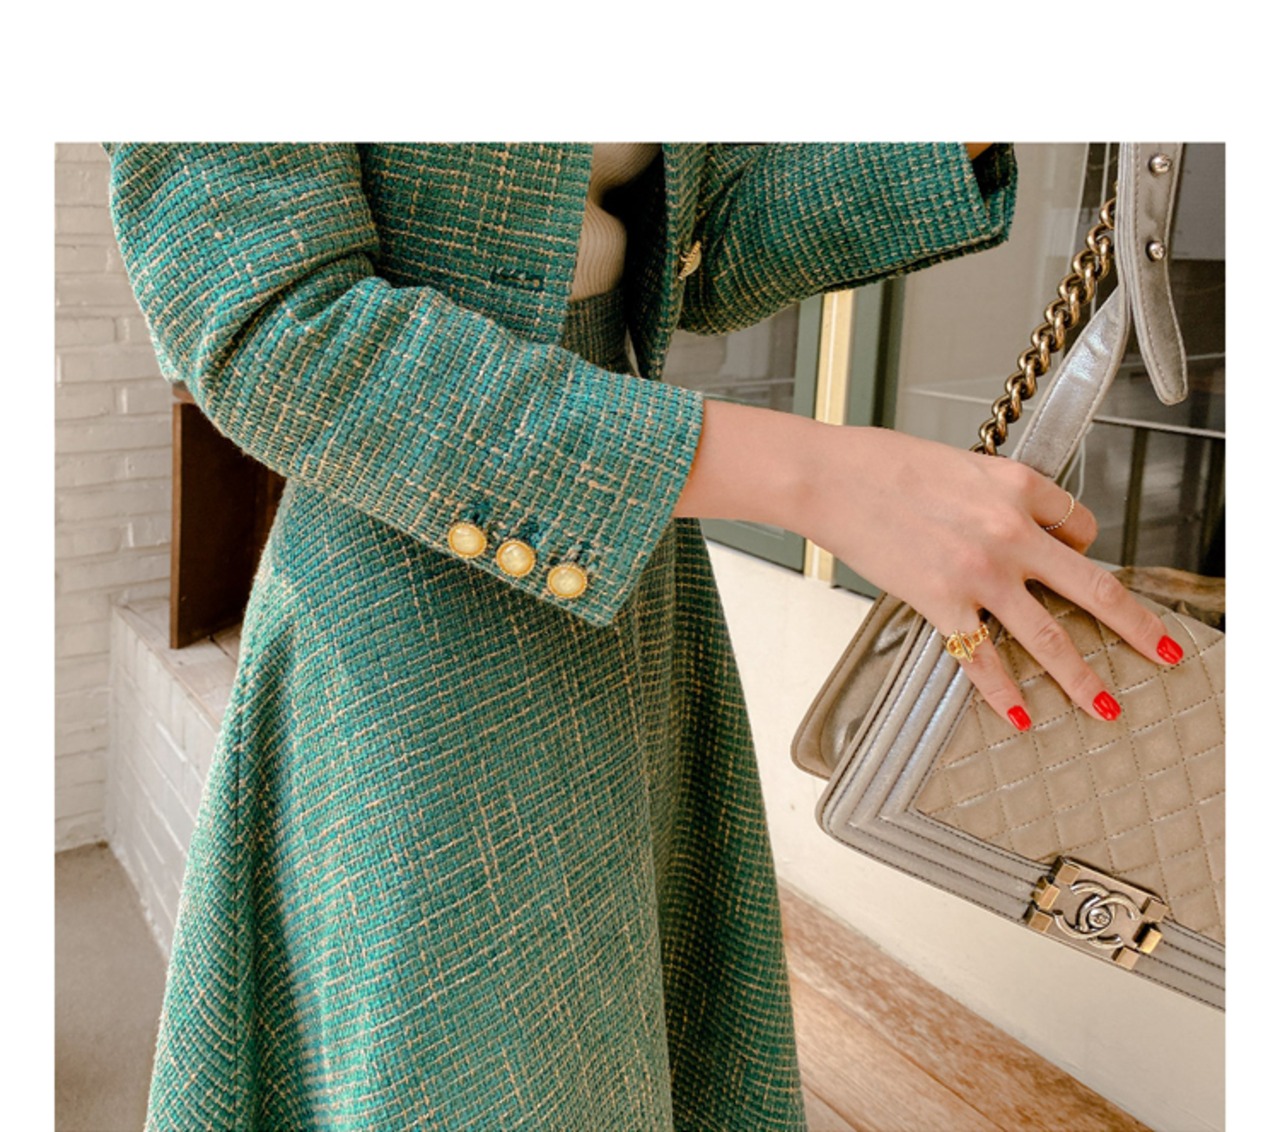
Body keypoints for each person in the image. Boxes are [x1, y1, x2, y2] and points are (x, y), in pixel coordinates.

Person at [105, 142, 1178, 1131]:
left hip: (632, 580)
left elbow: (695, 253)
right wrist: (818, 478)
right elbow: (279, 331)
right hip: (417, 601)